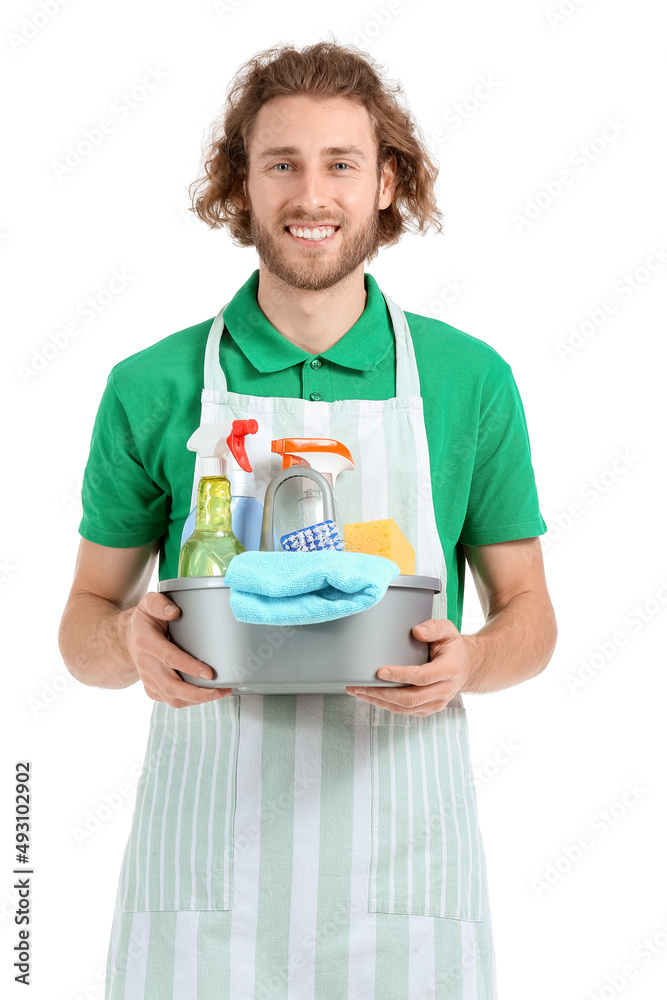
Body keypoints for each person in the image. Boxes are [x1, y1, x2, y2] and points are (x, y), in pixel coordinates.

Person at [58, 38, 557, 1000]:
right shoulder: (153, 385)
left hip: (402, 872)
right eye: (280, 163)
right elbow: (81, 630)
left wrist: (471, 662)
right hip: (204, 880)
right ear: (239, 187)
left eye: (341, 164)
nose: (310, 195)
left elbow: (529, 615)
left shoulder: (467, 381)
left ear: (385, 184)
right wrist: (130, 640)